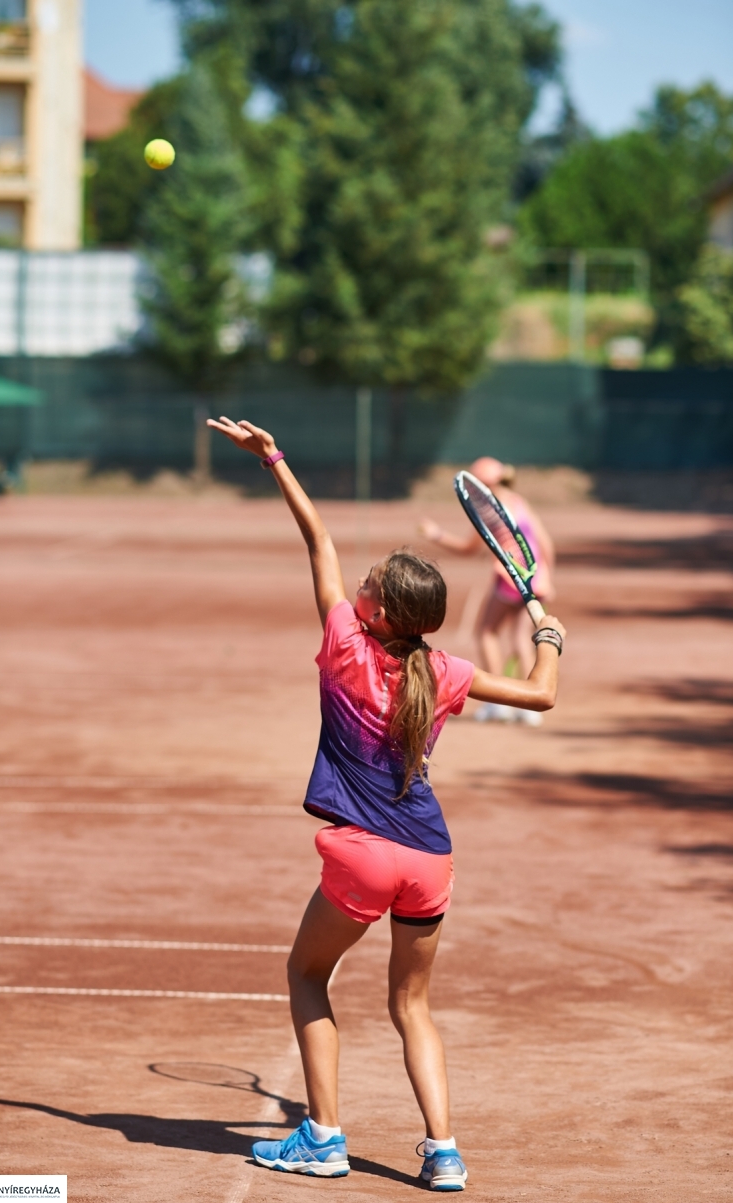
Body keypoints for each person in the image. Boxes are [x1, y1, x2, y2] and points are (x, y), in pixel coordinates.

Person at [208, 417, 566, 1191]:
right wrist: (550, 633)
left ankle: (325, 1137)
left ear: (375, 613)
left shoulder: (343, 641)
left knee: (307, 974)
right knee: (414, 1007)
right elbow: (541, 694)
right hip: (431, 858)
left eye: (370, 585)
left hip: (361, 855)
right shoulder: (444, 670)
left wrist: (273, 455)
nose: (358, 584)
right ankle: (444, 1153)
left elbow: (318, 541)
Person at [420, 457, 556, 724]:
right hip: (536, 576)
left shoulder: (489, 510)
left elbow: (469, 549)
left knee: (486, 632)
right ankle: (528, 708)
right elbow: (545, 543)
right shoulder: (518, 501)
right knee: (521, 639)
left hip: (510, 578)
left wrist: (436, 535)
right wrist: (549, 579)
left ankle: (500, 705)